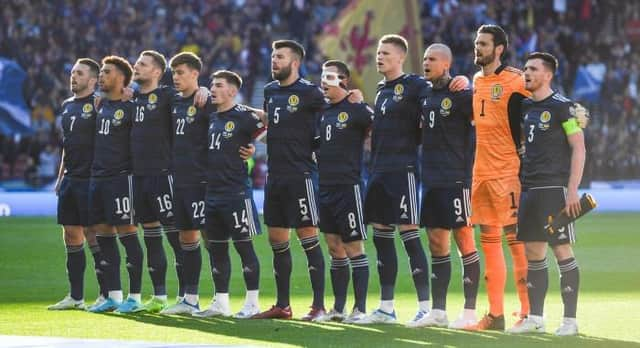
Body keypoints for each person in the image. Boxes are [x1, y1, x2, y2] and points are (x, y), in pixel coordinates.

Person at [360, 34, 467, 326]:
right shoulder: (382, 90)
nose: (379, 57)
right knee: (381, 238)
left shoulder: (416, 85)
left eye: (385, 53)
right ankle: (386, 307)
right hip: (378, 171)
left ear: (399, 58)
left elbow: (439, 97)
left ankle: (424, 307)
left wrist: (462, 81)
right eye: (378, 52)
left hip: (403, 170)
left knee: (409, 236)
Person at [507, 52, 586, 336]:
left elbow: (579, 147)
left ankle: (570, 321)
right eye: (525, 68)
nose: (526, 73)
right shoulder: (525, 106)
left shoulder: (564, 108)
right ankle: (536, 317)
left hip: (555, 189)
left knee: (561, 250)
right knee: (532, 253)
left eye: (533, 69)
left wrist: (573, 190)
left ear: (548, 75)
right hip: (529, 189)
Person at [252, 40, 327, 321]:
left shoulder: (309, 92)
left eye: (280, 57)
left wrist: (353, 95)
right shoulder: (270, 91)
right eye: (273, 56)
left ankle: (319, 307)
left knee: (308, 236)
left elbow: (332, 112)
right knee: (276, 239)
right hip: (276, 176)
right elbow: (271, 122)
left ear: (294, 62)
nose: (274, 61)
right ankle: (283, 305)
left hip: (301, 176)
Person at [467, 24, 530, 330]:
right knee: (488, 243)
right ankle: (496, 315)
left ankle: (529, 313)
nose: (477, 48)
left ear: (499, 49)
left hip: (508, 173)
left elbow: (540, 109)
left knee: (518, 244)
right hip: (481, 173)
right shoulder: (476, 80)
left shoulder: (516, 80)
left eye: (483, 44)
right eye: (476, 43)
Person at [192, 70, 265, 319]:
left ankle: (253, 303)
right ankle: (221, 302)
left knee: (245, 248)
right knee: (217, 249)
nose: (213, 88)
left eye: (219, 85)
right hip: (212, 193)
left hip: (236, 193)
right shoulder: (211, 117)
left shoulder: (244, 116)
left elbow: (270, 123)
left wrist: (254, 147)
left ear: (232, 91)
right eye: (212, 84)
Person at [417, 44, 481, 329]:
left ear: (446, 64)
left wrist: (469, 82)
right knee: (436, 243)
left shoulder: (461, 94)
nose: (425, 62)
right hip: (430, 180)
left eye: (431, 59)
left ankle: (469, 311)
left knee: (464, 240)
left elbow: (484, 114)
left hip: (457, 179)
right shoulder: (424, 94)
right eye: (424, 58)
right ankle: (438, 311)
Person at [312, 60, 372, 324]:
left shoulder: (356, 110)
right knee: (334, 247)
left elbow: (378, 127)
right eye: (323, 77)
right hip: (325, 187)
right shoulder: (323, 112)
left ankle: (359, 309)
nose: (324, 82)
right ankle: (337, 309)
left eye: (330, 77)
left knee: (353, 247)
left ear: (343, 80)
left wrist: (360, 102)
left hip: (348, 188)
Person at [49, 58, 107, 310]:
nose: (73, 77)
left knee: (93, 235)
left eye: (79, 73)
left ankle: (107, 294)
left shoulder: (100, 104)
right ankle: (75, 296)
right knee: (71, 234)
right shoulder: (67, 105)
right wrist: (61, 176)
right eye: (72, 72)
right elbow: (67, 144)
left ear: (93, 80)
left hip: (92, 179)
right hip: (71, 179)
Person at [86, 56, 144, 313]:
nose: (101, 75)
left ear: (121, 78)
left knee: (128, 237)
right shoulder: (100, 106)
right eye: (101, 71)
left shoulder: (133, 106)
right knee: (103, 237)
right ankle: (113, 296)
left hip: (122, 178)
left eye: (106, 72)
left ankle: (135, 297)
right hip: (98, 179)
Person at [128, 50, 181, 313]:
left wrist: (203, 93)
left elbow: (194, 103)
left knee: (176, 238)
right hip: (139, 177)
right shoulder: (132, 97)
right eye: (137, 63)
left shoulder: (168, 95)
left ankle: (187, 298)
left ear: (157, 72)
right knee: (151, 238)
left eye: (142, 64)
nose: (136, 67)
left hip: (163, 175)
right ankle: (159, 296)